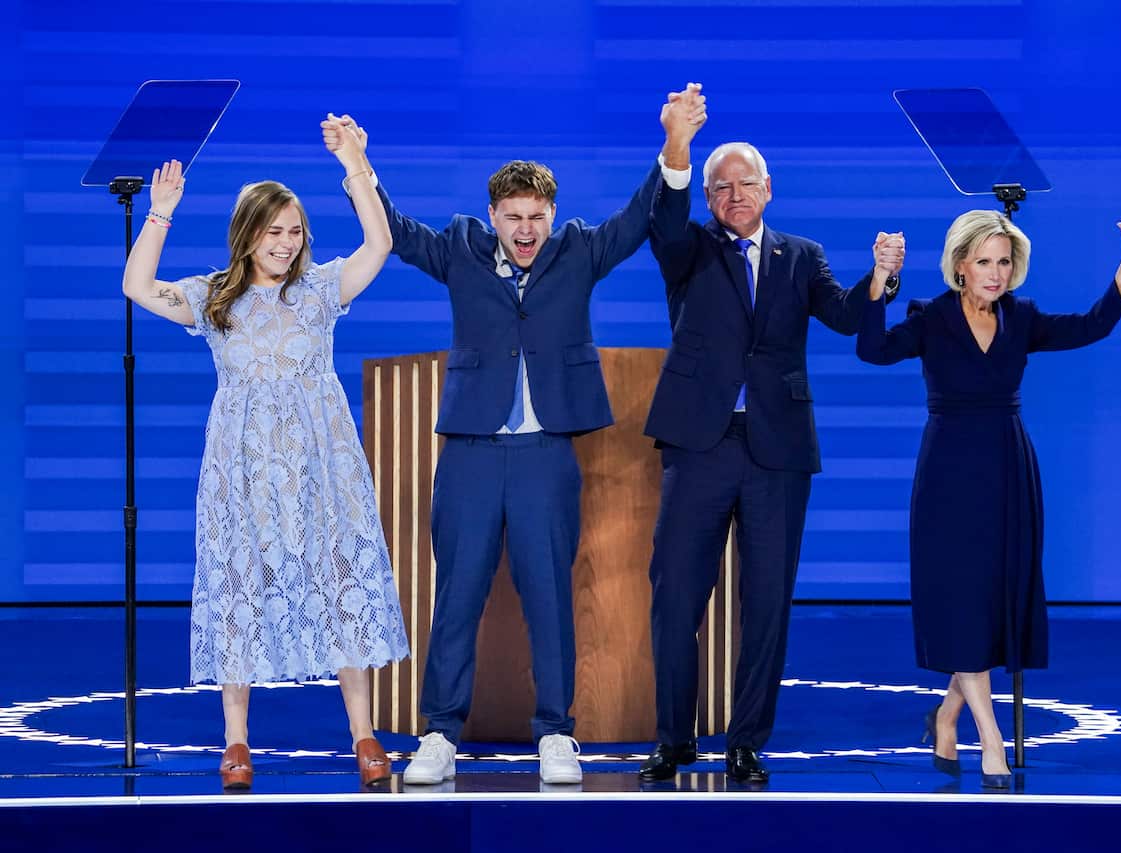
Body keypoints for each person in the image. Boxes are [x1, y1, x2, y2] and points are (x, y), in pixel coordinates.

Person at [349, 85, 708, 787]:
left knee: (550, 598)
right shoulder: (459, 248)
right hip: (471, 454)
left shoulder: (578, 250)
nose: (525, 229)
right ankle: (439, 733)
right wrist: (358, 165)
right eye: (512, 217)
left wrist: (676, 144)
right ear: (492, 217)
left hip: (548, 456)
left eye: (536, 216)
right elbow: (394, 230)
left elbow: (642, 215)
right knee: (456, 596)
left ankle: (556, 732)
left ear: (551, 215)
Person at [120, 115, 410, 790]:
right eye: (273, 231)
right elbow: (136, 286)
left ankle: (363, 733)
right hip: (243, 469)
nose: (285, 243)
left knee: (340, 581)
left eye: (295, 231)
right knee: (239, 587)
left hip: (323, 466)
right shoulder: (213, 298)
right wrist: (160, 213)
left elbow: (380, 242)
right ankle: (236, 741)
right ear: (247, 234)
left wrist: (356, 166)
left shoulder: (321, 291)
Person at [639, 86, 898, 784]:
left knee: (767, 605)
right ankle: (673, 738)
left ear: (768, 189)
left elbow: (846, 316)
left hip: (777, 451)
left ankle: (746, 742)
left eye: (745, 183)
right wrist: (678, 142)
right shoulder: (687, 248)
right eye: (721, 187)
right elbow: (665, 215)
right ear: (708, 196)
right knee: (675, 598)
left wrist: (880, 277)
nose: (734, 196)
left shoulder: (801, 256)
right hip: (699, 444)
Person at [855, 205, 1121, 788]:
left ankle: (946, 718)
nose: (995, 273)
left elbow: (1091, 326)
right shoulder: (931, 318)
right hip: (948, 477)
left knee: (990, 608)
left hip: (1008, 471)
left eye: (1004, 262)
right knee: (962, 603)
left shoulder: (1022, 318)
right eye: (984, 262)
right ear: (960, 266)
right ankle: (990, 742)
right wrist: (879, 280)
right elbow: (872, 349)